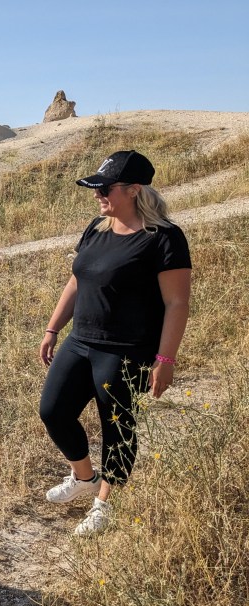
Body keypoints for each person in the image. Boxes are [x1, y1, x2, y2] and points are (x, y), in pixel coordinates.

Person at [38, 150, 192, 536]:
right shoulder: (97, 228)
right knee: (53, 411)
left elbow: (177, 303)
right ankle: (84, 477)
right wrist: (53, 329)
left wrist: (165, 359)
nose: (97, 194)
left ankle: (105, 504)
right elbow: (77, 280)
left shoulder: (164, 238)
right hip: (81, 340)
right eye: (96, 188)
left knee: (117, 426)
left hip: (127, 350)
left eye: (105, 188)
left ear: (134, 189)